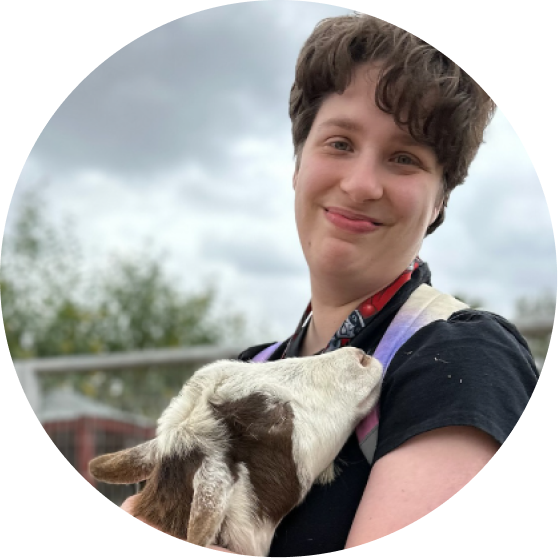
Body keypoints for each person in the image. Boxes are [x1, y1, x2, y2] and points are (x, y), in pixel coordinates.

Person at [121, 14, 539, 553]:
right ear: (298, 165)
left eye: (404, 158)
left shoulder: (461, 358)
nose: (361, 184)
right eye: (340, 143)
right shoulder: (250, 372)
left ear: (439, 202)